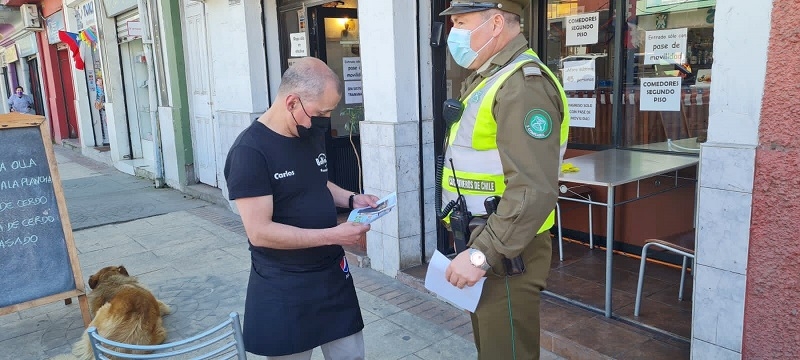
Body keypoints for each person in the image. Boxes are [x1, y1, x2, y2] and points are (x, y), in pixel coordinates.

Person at [438, 1, 570, 359]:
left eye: (461, 23)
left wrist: (481, 255)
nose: (453, 34)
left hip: (508, 250)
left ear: (495, 23)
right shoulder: (491, 77)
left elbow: (533, 188)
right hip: (490, 239)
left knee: (505, 353)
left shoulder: (522, 86)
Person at [224, 57, 378, 360]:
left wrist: (351, 199)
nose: (325, 121)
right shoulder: (249, 152)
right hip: (284, 284)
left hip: (332, 277)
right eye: (322, 113)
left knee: (351, 355)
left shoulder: (307, 132)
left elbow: (316, 181)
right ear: (292, 102)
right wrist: (334, 234)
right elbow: (260, 232)